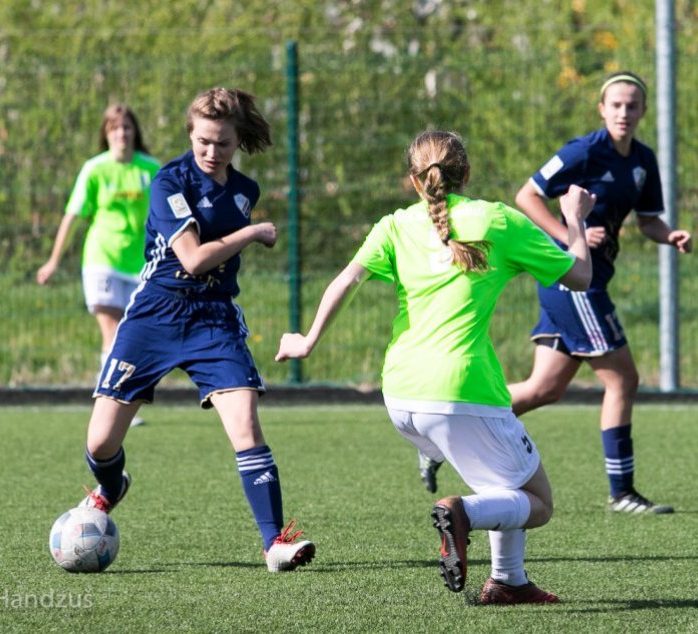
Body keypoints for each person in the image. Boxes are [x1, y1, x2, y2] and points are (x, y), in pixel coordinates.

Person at [276, 131, 595, 604]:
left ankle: (508, 582)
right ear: (466, 173)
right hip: (460, 391)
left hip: (400, 395)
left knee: (499, 480)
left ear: (413, 181)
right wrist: (575, 221)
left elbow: (346, 279)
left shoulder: (395, 225)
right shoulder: (497, 220)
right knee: (538, 502)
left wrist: (308, 340)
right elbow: (581, 275)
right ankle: (460, 514)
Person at [423, 72, 692, 514]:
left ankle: (444, 435)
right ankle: (622, 492)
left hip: (589, 279)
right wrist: (571, 233)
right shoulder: (583, 151)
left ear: (644, 111)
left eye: (633, 105)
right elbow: (526, 196)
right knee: (623, 378)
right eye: (616, 105)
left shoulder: (642, 160)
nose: (624, 112)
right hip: (573, 281)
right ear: (602, 109)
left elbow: (647, 220)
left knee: (543, 388)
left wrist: (670, 236)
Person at [72, 87, 315, 573]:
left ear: (237, 140)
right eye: (203, 141)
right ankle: (112, 485)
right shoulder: (168, 183)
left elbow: (213, 269)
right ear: (190, 135)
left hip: (212, 318)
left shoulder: (245, 191)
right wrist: (253, 232)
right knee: (100, 444)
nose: (211, 151)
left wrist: (248, 223)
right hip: (154, 316)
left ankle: (275, 543)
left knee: (245, 424)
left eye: (222, 143)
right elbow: (193, 257)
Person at [37, 103, 160, 427]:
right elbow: (73, 216)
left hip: (141, 265)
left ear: (135, 132)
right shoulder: (94, 169)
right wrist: (53, 261)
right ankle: (114, 402)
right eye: (114, 128)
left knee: (135, 334)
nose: (121, 134)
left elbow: (167, 215)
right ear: (106, 134)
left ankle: (116, 396)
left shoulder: (151, 169)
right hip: (101, 260)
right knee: (115, 332)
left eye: (127, 128)